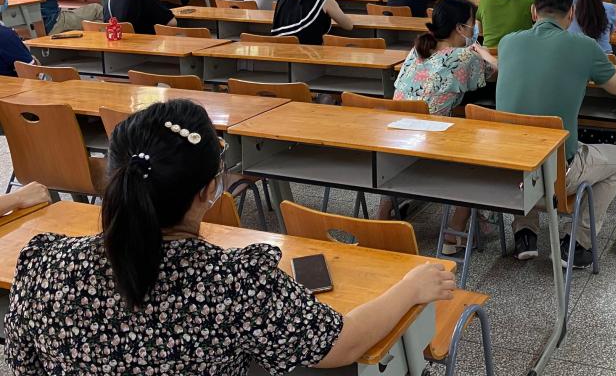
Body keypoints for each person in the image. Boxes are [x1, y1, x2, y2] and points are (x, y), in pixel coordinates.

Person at [4, 100, 455, 373]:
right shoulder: (235, 282)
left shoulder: (44, 263)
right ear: (209, 190)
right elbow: (341, 344)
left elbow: (23, 364)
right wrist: (410, 287)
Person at [497, 0, 616, 268]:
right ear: (571, 13)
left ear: (534, 11)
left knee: (527, 138)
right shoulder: (584, 46)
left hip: (509, 171)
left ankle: (525, 234)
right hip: (558, 175)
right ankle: (577, 243)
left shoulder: (508, 42)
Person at [393, 0, 498, 238]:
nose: (476, 28)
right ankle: (455, 231)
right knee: (482, 153)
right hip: (432, 146)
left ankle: (382, 216)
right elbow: (499, 73)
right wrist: (483, 53)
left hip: (396, 143)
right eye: (473, 22)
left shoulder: (417, 49)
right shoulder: (465, 57)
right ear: (460, 27)